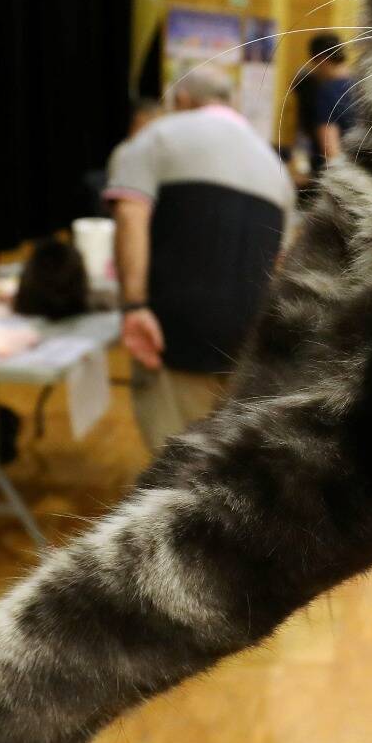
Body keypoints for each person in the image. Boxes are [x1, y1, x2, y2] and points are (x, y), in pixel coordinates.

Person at [106, 67, 297, 458]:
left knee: (170, 459)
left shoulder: (157, 138)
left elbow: (130, 217)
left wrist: (135, 305)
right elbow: (282, 261)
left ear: (182, 101)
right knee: (221, 465)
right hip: (249, 337)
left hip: (171, 330)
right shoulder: (276, 169)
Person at [291, 32, 357, 183]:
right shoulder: (362, 87)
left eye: (313, 62)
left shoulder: (326, 92)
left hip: (336, 180)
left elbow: (330, 150)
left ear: (321, 60)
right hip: (362, 174)